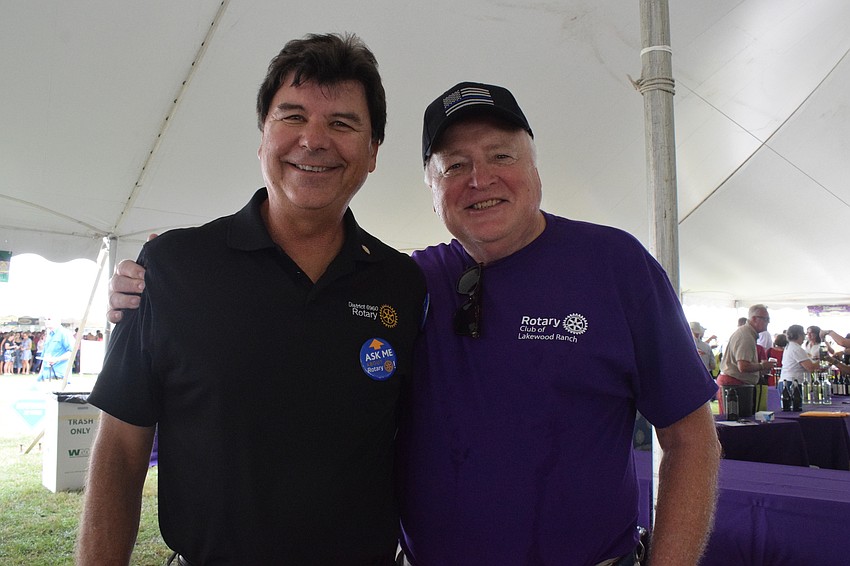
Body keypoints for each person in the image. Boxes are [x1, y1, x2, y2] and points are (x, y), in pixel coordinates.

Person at [108, 82, 722, 565]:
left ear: (536, 168)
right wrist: (154, 286)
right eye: (454, 165)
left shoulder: (615, 266)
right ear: (431, 187)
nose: (480, 179)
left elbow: (692, 438)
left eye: (501, 156)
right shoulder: (405, 282)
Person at [78, 33, 426, 566]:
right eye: (292, 117)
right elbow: (121, 451)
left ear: (373, 151)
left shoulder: (402, 283)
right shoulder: (172, 268)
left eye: (342, 123)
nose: (314, 140)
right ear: (262, 137)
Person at [717, 304, 777, 387]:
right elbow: (743, 367)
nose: (768, 322)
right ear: (754, 319)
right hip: (735, 384)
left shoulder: (746, 334)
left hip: (734, 382)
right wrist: (762, 366)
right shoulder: (746, 336)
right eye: (765, 319)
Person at [778, 325, 821, 390]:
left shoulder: (790, 346)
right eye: (804, 334)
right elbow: (811, 368)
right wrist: (824, 359)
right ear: (799, 335)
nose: (804, 337)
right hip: (793, 383)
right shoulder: (796, 348)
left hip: (788, 381)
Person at [37, 317, 75, 382]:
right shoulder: (49, 335)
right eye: (45, 319)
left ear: (57, 321)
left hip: (59, 375)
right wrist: (40, 374)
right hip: (46, 375)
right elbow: (45, 357)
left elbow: (72, 352)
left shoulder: (65, 333)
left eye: (49, 319)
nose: (46, 321)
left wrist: (56, 359)